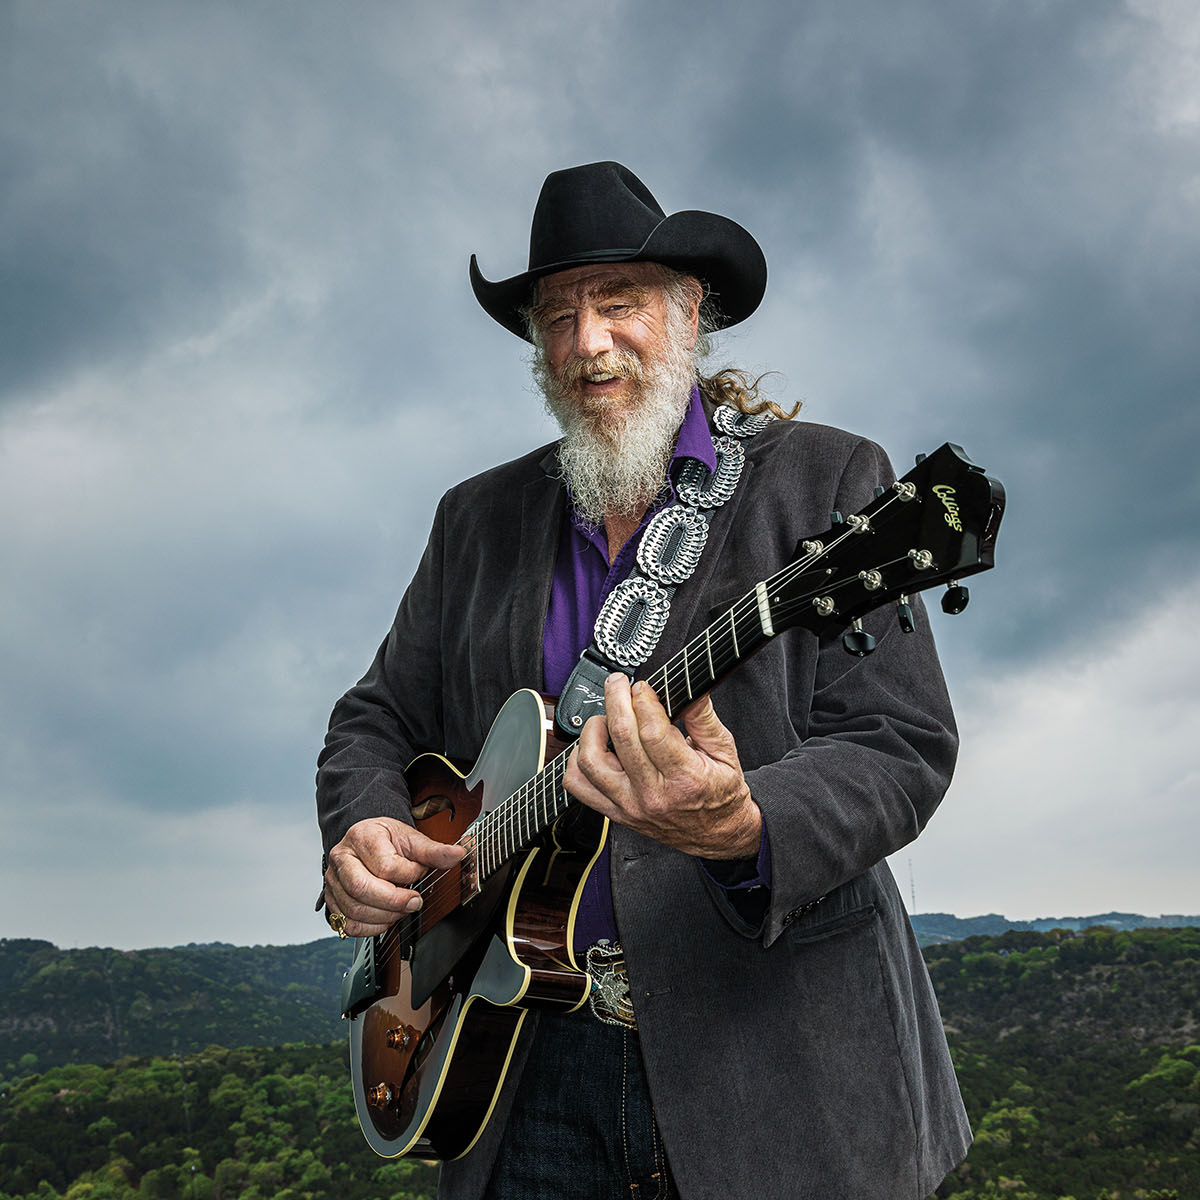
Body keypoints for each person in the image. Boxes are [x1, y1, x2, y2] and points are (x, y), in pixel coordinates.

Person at [316, 161, 972, 1199]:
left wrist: (748, 824)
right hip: (521, 1069)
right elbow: (377, 716)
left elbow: (901, 745)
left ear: (691, 309)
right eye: (558, 315)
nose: (588, 343)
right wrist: (359, 826)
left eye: (619, 302)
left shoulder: (831, 483)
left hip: (774, 1065)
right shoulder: (474, 520)